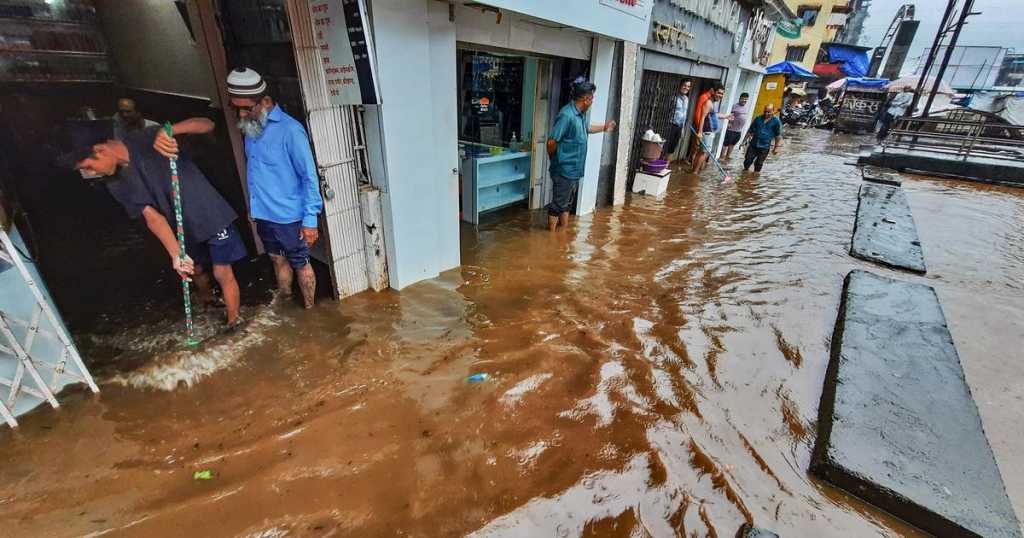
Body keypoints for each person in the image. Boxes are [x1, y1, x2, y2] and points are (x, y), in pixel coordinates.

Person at [75, 119, 246, 330]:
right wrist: (176, 254)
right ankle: (209, 302)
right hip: (180, 226)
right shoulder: (114, 182)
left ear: (100, 150)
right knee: (196, 269)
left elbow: (207, 124)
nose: (92, 173)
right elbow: (152, 217)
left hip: (209, 214)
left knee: (222, 271)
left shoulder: (147, 138)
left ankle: (233, 322)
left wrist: (170, 130)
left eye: (89, 167)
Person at [223, 67, 323, 309]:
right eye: (236, 108)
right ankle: (286, 303)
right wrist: (254, 209)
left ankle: (310, 311)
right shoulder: (252, 128)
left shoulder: (291, 131)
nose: (242, 114)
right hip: (264, 214)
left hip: (289, 216)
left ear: (265, 101)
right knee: (277, 260)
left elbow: (309, 177)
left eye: (247, 108)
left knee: (300, 262)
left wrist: (310, 220)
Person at [545, 79, 616, 231]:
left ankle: (562, 235)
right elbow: (551, 142)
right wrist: (556, 161)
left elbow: (586, 128)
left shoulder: (580, 114)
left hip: (574, 170)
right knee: (558, 204)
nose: (592, 101)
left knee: (567, 204)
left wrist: (604, 127)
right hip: (564, 169)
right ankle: (550, 237)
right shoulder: (567, 115)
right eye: (592, 98)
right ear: (586, 99)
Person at [691, 83, 730, 174]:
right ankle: (695, 173)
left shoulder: (713, 103)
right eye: (719, 93)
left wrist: (726, 116)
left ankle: (694, 171)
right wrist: (700, 132)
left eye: (722, 94)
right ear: (713, 92)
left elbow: (714, 115)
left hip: (709, 132)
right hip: (707, 132)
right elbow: (702, 117)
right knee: (704, 153)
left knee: (702, 152)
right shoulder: (708, 103)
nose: (720, 95)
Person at [742, 104, 783, 173]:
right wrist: (743, 141)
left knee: (758, 164)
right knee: (747, 161)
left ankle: (754, 178)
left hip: (765, 146)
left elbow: (777, 136)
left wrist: (776, 148)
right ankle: (745, 175)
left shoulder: (776, 122)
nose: (766, 113)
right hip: (753, 144)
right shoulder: (758, 118)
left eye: (769, 112)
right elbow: (750, 131)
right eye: (765, 111)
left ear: (773, 111)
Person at [661, 79, 691, 161]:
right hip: (670, 125)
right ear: (680, 85)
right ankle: (660, 165)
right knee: (665, 147)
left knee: (672, 148)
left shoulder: (686, 99)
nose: (686, 88)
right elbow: (665, 111)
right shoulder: (673, 97)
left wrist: (683, 129)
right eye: (685, 85)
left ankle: (666, 167)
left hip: (679, 127)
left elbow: (684, 115)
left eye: (688, 86)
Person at [721, 92, 751, 160]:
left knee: (732, 144)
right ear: (740, 98)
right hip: (731, 130)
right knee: (726, 144)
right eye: (743, 99)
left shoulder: (746, 107)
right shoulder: (735, 106)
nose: (744, 101)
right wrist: (729, 123)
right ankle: (722, 157)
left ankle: (727, 157)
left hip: (739, 131)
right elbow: (731, 114)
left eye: (746, 99)